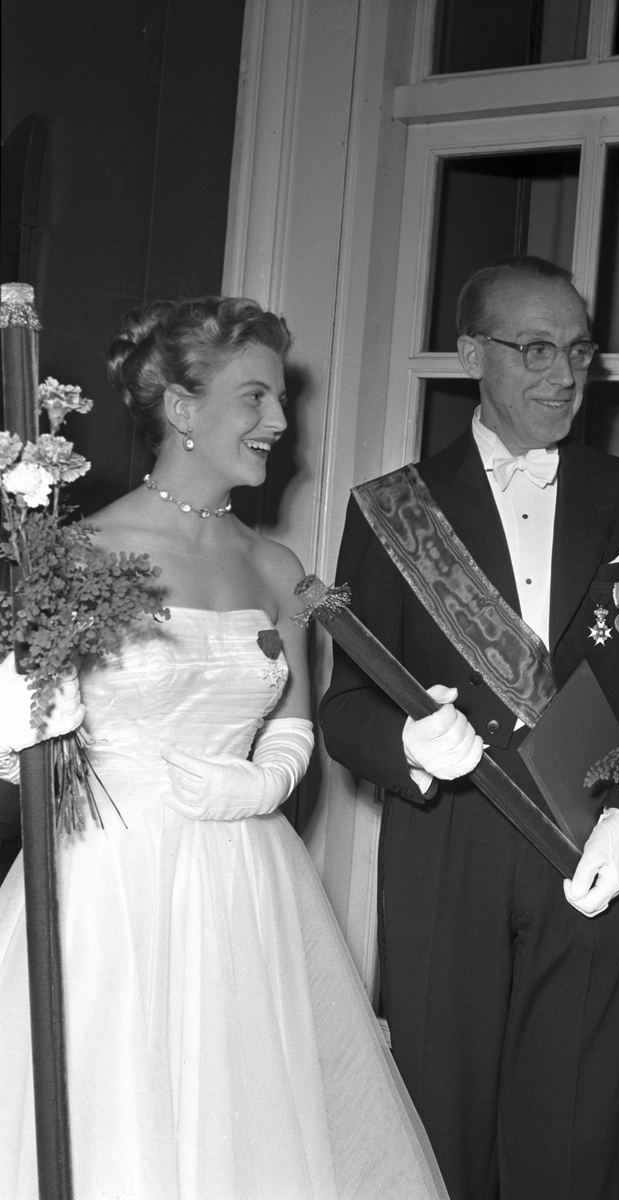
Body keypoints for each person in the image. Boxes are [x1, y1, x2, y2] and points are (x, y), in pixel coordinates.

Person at [0, 297, 447, 1200]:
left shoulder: (278, 569)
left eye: (280, 399)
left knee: (241, 1121)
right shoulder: (76, 557)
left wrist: (266, 781)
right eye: (255, 397)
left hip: (244, 880)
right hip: (107, 881)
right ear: (181, 408)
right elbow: (26, 741)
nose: (280, 421)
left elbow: (295, 721)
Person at [319, 256, 619, 1200]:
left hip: (593, 844)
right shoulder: (394, 508)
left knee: (570, 1137)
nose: (563, 374)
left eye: (578, 349)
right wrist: (406, 744)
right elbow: (345, 707)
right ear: (470, 355)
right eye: (534, 348)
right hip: (446, 845)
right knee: (437, 1129)